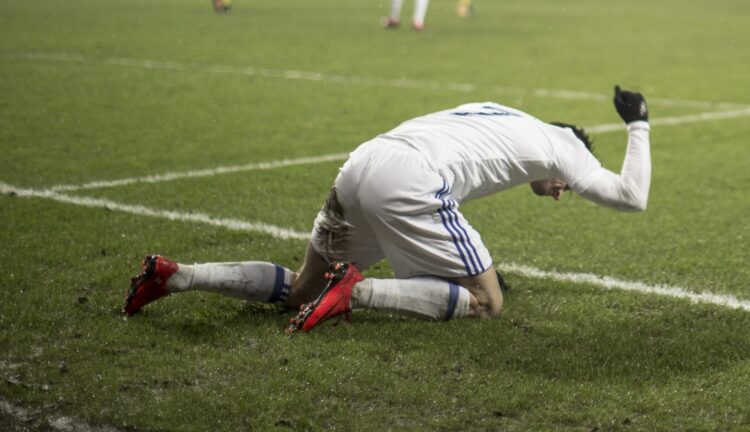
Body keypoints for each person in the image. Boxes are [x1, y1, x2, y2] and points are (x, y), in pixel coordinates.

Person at [123, 86, 652, 331]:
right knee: (487, 302)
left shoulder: (504, 113)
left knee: (300, 288)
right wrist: (638, 123)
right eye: (564, 185)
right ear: (574, 149)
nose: (562, 191)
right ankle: (356, 290)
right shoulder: (565, 147)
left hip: (364, 162)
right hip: (412, 181)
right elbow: (632, 196)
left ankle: (177, 276)